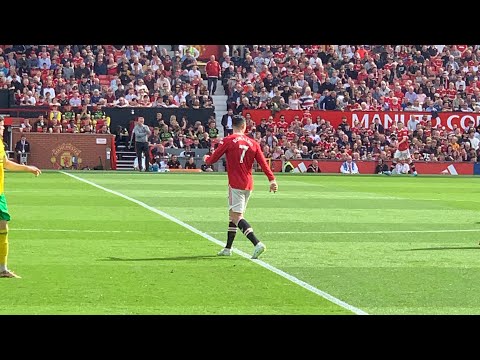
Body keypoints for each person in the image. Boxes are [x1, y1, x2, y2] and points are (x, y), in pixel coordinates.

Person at [203, 115, 278, 259]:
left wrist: (207, 159)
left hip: (235, 183)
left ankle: (257, 243)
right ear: (244, 127)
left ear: (233, 127)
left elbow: (213, 158)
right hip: (248, 184)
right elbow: (263, 163)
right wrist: (272, 180)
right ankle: (228, 248)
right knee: (233, 215)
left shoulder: (228, 140)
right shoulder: (253, 143)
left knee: (236, 217)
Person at [0, 116, 42, 278]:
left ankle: (2, 269)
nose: (2, 129)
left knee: (3, 228)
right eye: (1, 127)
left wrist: (27, 168)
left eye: (3, 127)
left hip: (0, 194)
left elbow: (6, 164)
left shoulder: (0, 145)